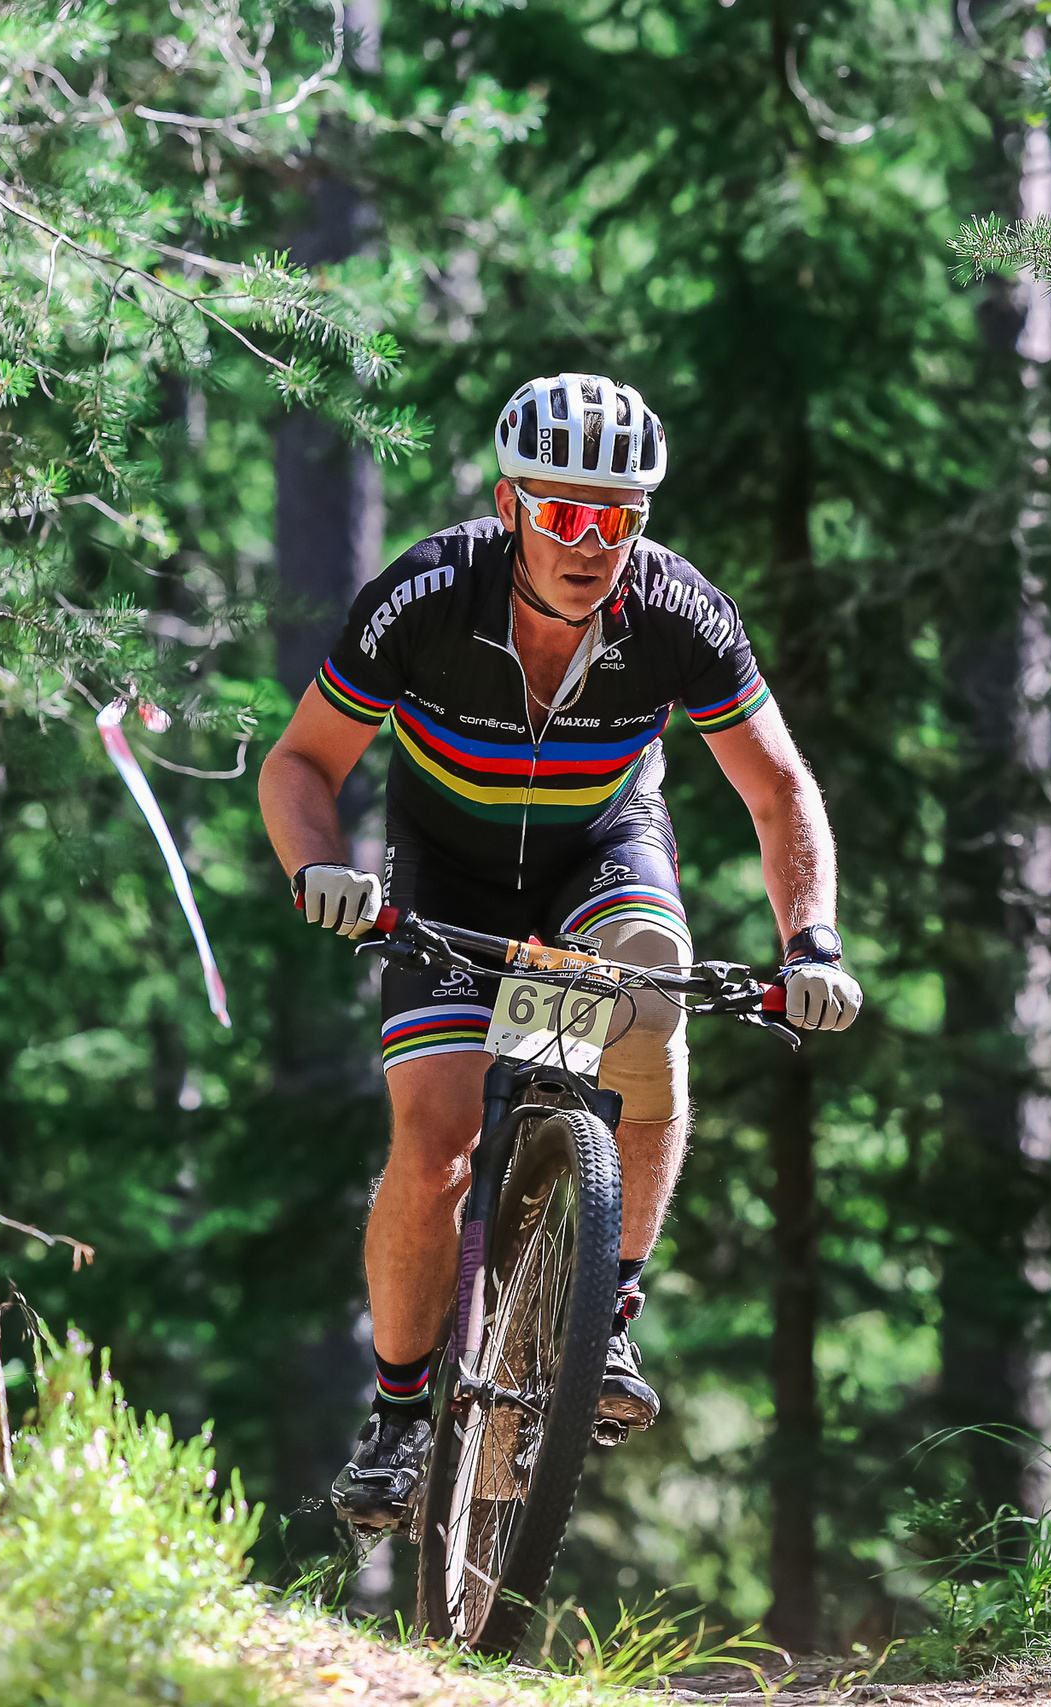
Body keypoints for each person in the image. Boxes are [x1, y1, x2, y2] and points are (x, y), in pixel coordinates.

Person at [256, 372, 862, 1531]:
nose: (593, 545)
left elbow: (779, 789)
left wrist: (812, 944)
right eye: (565, 515)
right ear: (510, 506)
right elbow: (298, 765)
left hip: (597, 861)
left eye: (619, 518)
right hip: (447, 871)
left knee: (647, 1016)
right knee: (433, 1137)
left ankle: (606, 1314)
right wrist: (319, 871)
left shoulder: (679, 614)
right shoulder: (427, 594)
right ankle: (396, 1416)